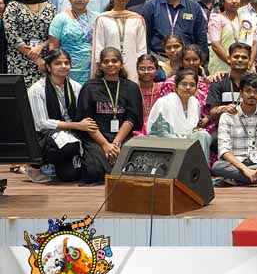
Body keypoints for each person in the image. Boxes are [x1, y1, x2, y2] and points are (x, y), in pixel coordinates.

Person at [77, 47, 143, 184]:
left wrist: (116, 143)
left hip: (122, 137)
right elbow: (86, 121)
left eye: (114, 61)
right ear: (100, 65)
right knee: (94, 171)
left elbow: (131, 118)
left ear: (121, 63)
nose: (110, 64)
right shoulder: (89, 87)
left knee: (129, 168)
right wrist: (105, 144)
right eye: (106, 61)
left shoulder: (131, 87)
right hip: (97, 138)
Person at [27, 49, 90, 183]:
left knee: (71, 176)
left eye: (66, 63)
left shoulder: (76, 87)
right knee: (69, 145)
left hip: (72, 133)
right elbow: (41, 123)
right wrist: (76, 125)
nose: (63, 66)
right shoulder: (36, 89)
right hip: (45, 136)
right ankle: (34, 167)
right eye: (58, 63)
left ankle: (54, 165)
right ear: (48, 67)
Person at [5, 0, 57, 87]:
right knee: (22, 97)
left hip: (45, 62)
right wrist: (36, 59)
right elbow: (11, 35)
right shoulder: (13, 6)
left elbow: (55, 34)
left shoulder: (49, 6)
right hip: (20, 61)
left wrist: (41, 46)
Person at [146, 68, 212, 159]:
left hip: (186, 144)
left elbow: (191, 130)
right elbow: (159, 134)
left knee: (203, 135)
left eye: (192, 85)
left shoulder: (194, 103)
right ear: (175, 87)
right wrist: (183, 141)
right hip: (166, 145)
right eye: (184, 84)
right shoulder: (164, 103)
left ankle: (199, 166)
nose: (188, 88)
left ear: (196, 88)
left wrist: (195, 133)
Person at [141, 0, 209, 56]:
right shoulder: (150, 6)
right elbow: (145, 37)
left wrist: (203, 60)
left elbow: (201, 38)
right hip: (159, 58)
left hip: (186, 59)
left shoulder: (194, 7)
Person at [92, 0, 147, 83]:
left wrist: (142, 66)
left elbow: (142, 48)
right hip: (110, 66)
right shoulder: (102, 19)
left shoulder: (137, 19)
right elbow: (99, 46)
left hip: (132, 66)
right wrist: (101, 66)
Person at [207, 42, 257, 125]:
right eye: (236, 57)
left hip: (252, 126)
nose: (240, 60)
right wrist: (224, 109)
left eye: (244, 57)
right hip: (226, 127)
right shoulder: (218, 80)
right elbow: (213, 112)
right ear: (229, 58)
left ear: (250, 60)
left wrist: (238, 110)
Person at [47, 0, 96, 85]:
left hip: (93, 71)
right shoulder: (60, 19)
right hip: (67, 70)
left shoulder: (97, 17)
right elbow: (53, 47)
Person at [208, 0, 255, 75]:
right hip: (223, 66)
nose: (234, 1)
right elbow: (215, 45)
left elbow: (254, 43)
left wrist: (248, 64)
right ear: (223, 1)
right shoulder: (216, 19)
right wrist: (232, 62)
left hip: (246, 68)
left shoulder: (247, 19)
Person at [135, 54, 162, 135]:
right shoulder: (132, 89)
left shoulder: (162, 88)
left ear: (157, 71)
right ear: (137, 70)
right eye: (142, 68)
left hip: (159, 131)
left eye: (150, 68)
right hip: (136, 132)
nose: (146, 72)